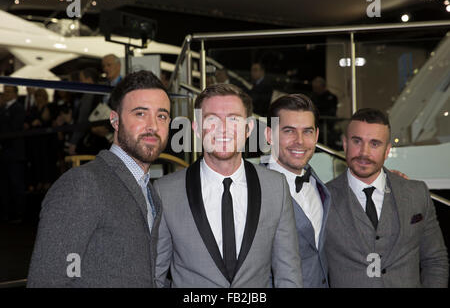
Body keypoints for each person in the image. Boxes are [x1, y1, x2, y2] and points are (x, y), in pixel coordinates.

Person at [27, 70, 170, 287]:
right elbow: (48, 280)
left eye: (162, 116)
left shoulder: (149, 191)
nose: (153, 125)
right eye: (140, 114)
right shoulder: (83, 185)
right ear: (115, 120)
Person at [154, 83, 302, 288]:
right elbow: (155, 275)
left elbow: (288, 273)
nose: (223, 128)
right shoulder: (165, 192)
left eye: (233, 119)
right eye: (212, 119)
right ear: (197, 129)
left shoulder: (276, 187)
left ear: (248, 128)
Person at [325, 108, 449, 287]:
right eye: (357, 141)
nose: (364, 152)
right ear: (345, 144)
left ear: (387, 150)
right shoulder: (323, 197)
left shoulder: (416, 193)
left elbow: (435, 260)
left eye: (375, 144)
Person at [264, 94, 331, 287]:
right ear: (269, 135)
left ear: (316, 136)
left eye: (307, 131)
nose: (299, 141)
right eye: (289, 131)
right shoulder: (251, 191)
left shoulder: (322, 187)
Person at [0, 85, 26, 223]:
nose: (6, 94)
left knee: (16, 184)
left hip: (14, 153)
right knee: (4, 185)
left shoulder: (18, 109)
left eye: (8, 91)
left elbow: (13, 128)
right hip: (5, 153)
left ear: (15, 94)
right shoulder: (3, 109)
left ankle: (19, 214)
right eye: (5, 91)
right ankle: (7, 213)